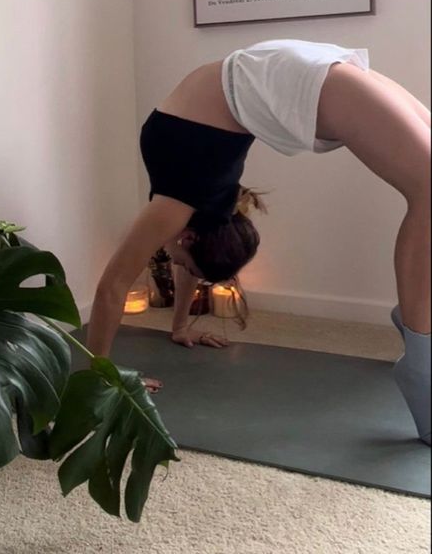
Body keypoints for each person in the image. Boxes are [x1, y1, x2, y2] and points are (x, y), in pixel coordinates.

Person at [87, 39, 431, 446]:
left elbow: (112, 287)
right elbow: (189, 257)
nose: (176, 263)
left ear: (190, 236)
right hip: (295, 70)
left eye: (190, 268)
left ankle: (421, 357)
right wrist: (179, 327)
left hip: (301, 79)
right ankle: (416, 328)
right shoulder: (204, 207)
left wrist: (100, 378)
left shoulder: (176, 207)